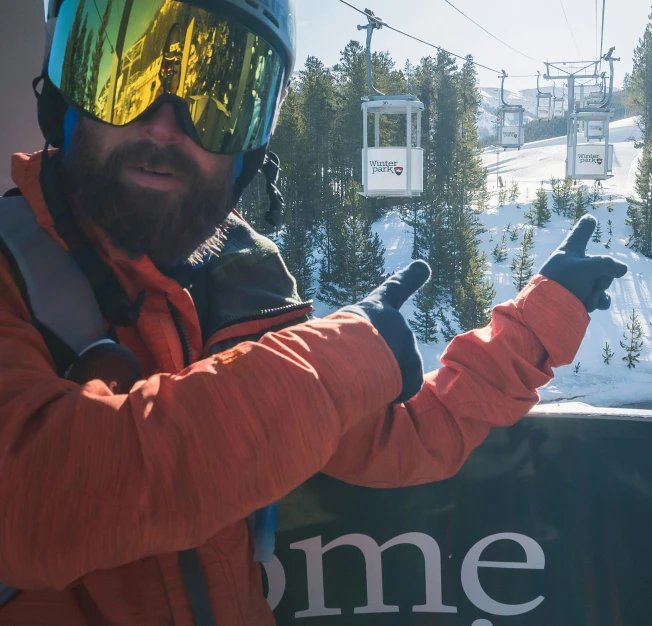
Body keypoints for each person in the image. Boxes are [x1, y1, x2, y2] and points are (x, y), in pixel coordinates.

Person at [0, 0, 628, 624]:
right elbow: (32, 499)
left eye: (221, 96)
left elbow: (401, 436)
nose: (165, 125)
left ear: (253, 145)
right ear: (65, 95)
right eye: (121, 77)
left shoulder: (239, 284)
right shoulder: (12, 273)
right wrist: (338, 358)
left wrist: (536, 325)